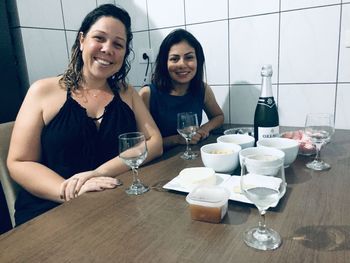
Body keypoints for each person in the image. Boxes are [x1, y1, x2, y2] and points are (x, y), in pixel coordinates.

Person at [7, 4, 163, 226]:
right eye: (99, 38)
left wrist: (97, 172)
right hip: (51, 210)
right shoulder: (43, 91)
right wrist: (70, 189)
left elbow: (154, 142)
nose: (108, 49)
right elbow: (19, 162)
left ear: (124, 53)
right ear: (82, 40)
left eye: (118, 44)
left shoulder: (126, 92)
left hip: (112, 204)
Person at [139, 29, 224, 149]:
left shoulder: (202, 89)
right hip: (158, 162)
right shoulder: (147, 94)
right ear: (164, 63)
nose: (182, 64)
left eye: (189, 57)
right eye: (174, 59)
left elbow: (219, 117)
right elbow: (139, 144)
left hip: (191, 157)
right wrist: (177, 139)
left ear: (198, 61)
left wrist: (204, 129)